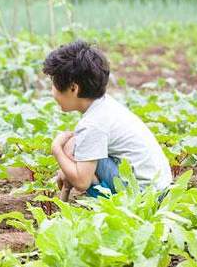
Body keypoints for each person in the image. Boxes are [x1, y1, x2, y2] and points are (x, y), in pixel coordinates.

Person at [42, 40, 172, 199]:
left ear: (73, 89)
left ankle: (115, 207)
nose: (52, 91)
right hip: (160, 187)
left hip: (146, 196)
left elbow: (81, 182)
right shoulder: (105, 105)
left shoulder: (92, 125)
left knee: (72, 149)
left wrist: (57, 148)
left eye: (54, 84)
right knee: (75, 146)